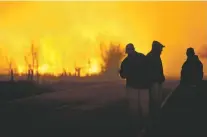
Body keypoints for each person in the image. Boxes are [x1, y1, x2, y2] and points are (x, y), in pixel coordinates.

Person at [119, 43, 149, 128]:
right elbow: (148, 68)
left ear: (127, 51)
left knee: (134, 108)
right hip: (144, 86)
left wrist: (121, 72)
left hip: (133, 87)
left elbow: (123, 75)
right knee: (144, 107)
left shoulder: (126, 62)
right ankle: (145, 125)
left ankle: (136, 126)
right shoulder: (142, 57)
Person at [146, 40, 165, 119]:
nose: (162, 50)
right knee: (155, 101)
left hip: (157, 82)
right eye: (160, 48)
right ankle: (154, 116)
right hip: (154, 83)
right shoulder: (151, 57)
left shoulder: (155, 56)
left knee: (157, 100)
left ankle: (156, 115)